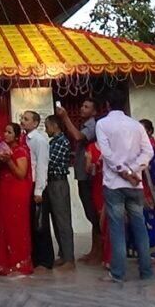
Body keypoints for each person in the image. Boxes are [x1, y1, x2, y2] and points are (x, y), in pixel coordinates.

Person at [95, 88, 154, 283]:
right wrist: (133, 170)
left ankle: (118, 273)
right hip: (135, 185)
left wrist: (123, 171)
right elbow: (149, 152)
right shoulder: (136, 125)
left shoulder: (102, 124)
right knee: (139, 226)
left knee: (117, 229)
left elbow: (107, 153)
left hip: (114, 184)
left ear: (107, 105)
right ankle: (146, 271)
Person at [56, 98, 102, 263]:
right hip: (83, 174)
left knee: (93, 212)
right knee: (90, 212)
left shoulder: (92, 125)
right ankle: (95, 250)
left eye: (86, 106)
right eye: (82, 105)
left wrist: (65, 117)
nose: (82, 108)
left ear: (94, 111)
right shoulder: (87, 124)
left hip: (89, 176)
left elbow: (77, 136)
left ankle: (100, 251)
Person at [0, 123, 33, 276]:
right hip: (4, 192)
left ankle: (19, 263)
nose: (5, 134)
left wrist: (9, 160)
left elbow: (21, 174)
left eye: (9, 132)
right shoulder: (2, 151)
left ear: (17, 136)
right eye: (5, 131)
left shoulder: (21, 151)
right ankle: (5, 263)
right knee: (4, 226)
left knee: (17, 226)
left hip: (17, 192)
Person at [19, 110, 53, 270]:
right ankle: (34, 257)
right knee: (31, 223)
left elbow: (42, 165)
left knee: (40, 223)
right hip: (26, 185)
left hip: (36, 185)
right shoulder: (24, 139)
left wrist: (38, 190)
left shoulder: (39, 140)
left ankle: (45, 260)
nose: (23, 121)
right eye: (22, 118)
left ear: (35, 123)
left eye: (26, 119)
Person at [43, 115, 75, 267]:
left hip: (59, 183)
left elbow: (51, 162)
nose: (46, 129)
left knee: (63, 221)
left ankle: (69, 259)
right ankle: (63, 254)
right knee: (56, 221)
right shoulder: (53, 142)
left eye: (47, 126)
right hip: (51, 183)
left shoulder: (62, 142)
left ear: (55, 125)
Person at [131, 119, 155, 263]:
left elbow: (153, 171)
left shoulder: (150, 148)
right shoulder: (140, 147)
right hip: (140, 189)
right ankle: (143, 252)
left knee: (151, 220)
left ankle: (154, 253)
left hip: (150, 190)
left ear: (150, 132)